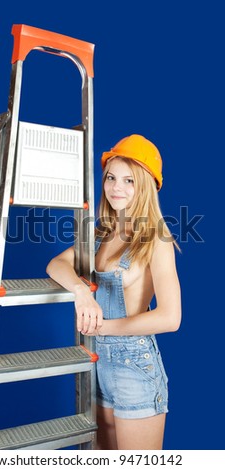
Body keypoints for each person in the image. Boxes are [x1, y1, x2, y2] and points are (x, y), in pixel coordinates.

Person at [46, 134, 181, 450]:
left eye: (129, 180)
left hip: (134, 365)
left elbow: (171, 317)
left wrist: (103, 327)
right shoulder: (100, 235)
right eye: (111, 177)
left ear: (146, 185)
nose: (116, 187)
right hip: (96, 363)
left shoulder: (156, 241)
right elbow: (56, 264)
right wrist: (82, 292)